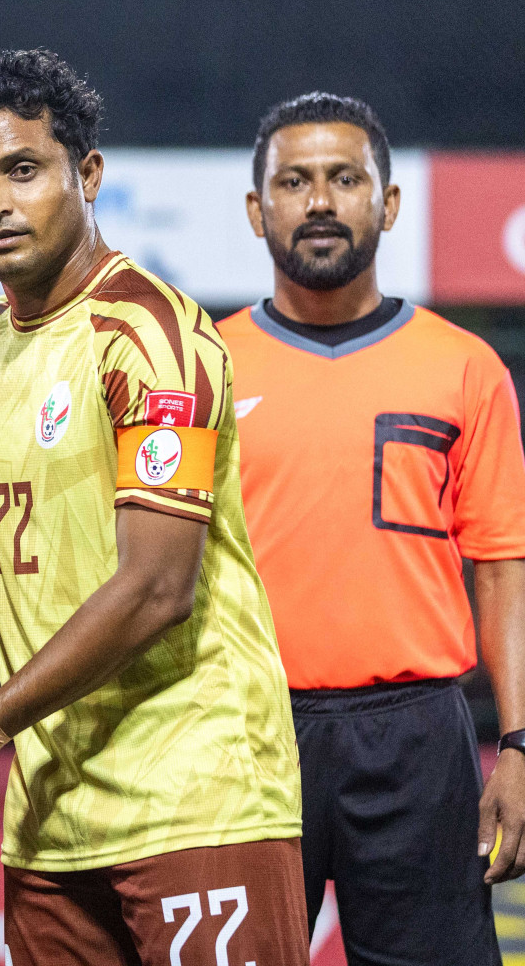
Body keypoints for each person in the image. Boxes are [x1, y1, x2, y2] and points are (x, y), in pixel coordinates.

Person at [0, 49, 309, 962]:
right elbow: (33, 538)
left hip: (195, 796)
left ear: (86, 175)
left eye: (23, 171)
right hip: (54, 814)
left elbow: (154, 585)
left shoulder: (154, 335)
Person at [219, 92, 525, 964]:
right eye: (295, 181)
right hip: (244, 733)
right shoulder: (202, 364)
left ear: (387, 204)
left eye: (345, 179)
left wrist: (521, 745)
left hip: (417, 737)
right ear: (257, 210)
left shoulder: (464, 365)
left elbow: (504, 564)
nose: (320, 201)